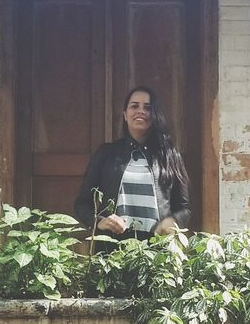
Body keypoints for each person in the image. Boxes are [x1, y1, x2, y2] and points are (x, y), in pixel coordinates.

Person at [74, 86, 191, 245]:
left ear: (154, 115)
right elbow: (82, 204)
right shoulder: (106, 153)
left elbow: (184, 209)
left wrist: (172, 221)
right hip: (112, 248)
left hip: (157, 248)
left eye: (147, 108)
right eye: (134, 106)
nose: (141, 111)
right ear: (125, 115)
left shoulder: (170, 156)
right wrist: (99, 221)